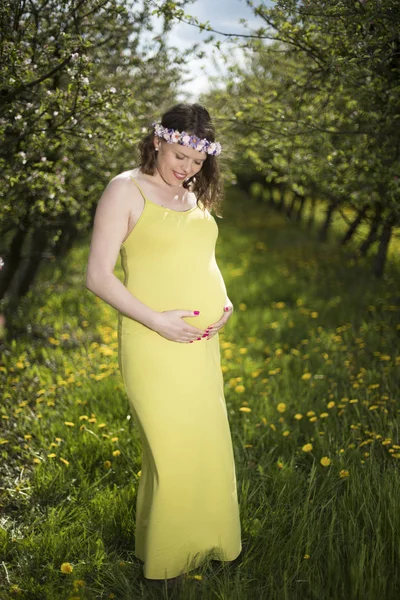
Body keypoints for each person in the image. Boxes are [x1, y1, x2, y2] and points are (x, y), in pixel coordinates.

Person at [85, 102, 242, 588]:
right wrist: (157, 321)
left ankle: (210, 545)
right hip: (153, 341)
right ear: (157, 141)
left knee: (207, 445)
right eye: (179, 156)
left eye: (197, 162)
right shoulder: (125, 190)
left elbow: (202, 254)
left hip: (200, 343)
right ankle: (168, 567)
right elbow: (96, 276)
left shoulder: (193, 193)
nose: (186, 169)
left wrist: (224, 298)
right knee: (170, 451)